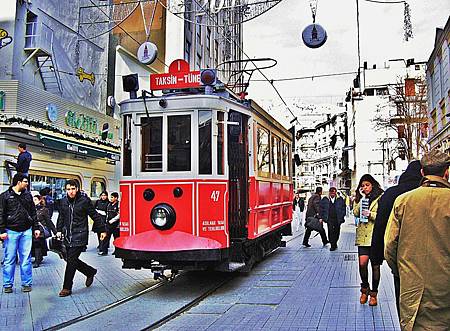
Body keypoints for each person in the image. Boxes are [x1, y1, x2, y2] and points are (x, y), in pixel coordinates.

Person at [385, 149, 450, 330]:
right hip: (445, 290)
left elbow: (390, 247)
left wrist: (402, 272)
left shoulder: (403, 201)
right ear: (446, 172)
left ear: (422, 172)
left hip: (412, 289)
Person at [370, 160, 422, 313]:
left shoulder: (391, 194)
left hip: (402, 259)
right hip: (432, 260)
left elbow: (380, 226)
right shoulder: (431, 194)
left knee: (404, 303)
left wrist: (377, 256)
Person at [56, 180, 106, 297]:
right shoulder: (63, 202)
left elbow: (94, 215)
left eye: (73, 189)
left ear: (77, 189)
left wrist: (102, 230)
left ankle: (66, 287)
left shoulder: (84, 201)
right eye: (68, 189)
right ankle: (89, 271)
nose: (71, 192)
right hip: (67, 235)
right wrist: (58, 230)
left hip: (80, 235)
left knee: (71, 261)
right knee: (69, 259)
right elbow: (61, 217)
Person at [0, 174, 40, 293]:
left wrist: (36, 228)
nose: (27, 183)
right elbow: (0, 214)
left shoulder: (28, 196)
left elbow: (33, 213)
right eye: (25, 181)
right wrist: (1, 231)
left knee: (26, 259)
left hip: (26, 231)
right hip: (10, 231)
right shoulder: (4, 196)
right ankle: (7, 284)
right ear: (18, 182)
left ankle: (26, 283)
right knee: (9, 259)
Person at [353, 174, 383, 306]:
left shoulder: (380, 198)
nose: (365, 188)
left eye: (367, 185)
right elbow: (355, 212)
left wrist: (371, 214)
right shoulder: (360, 198)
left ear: (372, 185)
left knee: (375, 266)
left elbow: (383, 216)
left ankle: (374, 294)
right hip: (363, 236)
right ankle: (364, 289)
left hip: (375, 236)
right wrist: (362, 199)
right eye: (363, 186)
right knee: (362, 264)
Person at [31, 195, 57, 268]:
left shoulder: (44, 210)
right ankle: (39, 257)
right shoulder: (31, 210)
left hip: (40, 230)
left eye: (35, 200)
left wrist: (55, 232)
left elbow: (48, 221)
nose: (34, 201)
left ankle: (37, 261)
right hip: (32, 229)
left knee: (37, 244)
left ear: (39, 200)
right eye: (33, 200)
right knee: (34, 244)